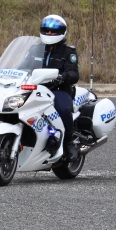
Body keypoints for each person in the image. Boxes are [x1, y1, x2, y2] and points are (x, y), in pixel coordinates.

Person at [39, 14, 79, 161]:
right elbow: (22, 65)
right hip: (37, 89)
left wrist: (63, 77)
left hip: (59, 90)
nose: (49, 33)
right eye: (47, 30)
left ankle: (69, 143)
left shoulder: (68, 51)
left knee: (62, 109)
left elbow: (74, 73)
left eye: (53, 31)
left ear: (62, 32)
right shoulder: (35, 49)